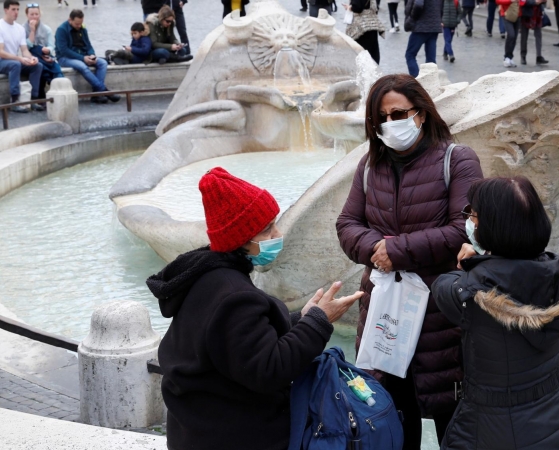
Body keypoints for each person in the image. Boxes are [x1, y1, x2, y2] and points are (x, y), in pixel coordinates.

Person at [150, 167, 363, 450]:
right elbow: (269, 369)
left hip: (198, 431)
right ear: (241, 238)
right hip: (234, 437)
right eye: (267, 229)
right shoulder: (233, 296)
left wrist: (302, 318)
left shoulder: (206, 279)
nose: (277, 234)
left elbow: (240, 343)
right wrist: (319, 322)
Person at [336, 74, 483, 450]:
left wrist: (397, 250)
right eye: (379, 118)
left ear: (420, 113)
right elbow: (347, 224)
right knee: (393, 424)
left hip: (441, 317)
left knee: (456, 424)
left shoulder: (457, 159)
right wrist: (375, 249)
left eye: (397, 113)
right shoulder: (371, 165)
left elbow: (463, 230)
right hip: (384, 313)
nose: (389, 124)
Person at [432, 176, 559, 450]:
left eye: (474, 216)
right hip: (554, 425)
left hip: (490, 430)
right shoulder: (557, 274)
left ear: (492, 227)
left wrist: (472, 263)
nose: (471, 221)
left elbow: (442, 288)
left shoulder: (474, 291)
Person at [55, 9, 120, 104]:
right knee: (82, 66)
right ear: (70, 20)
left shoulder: (82, 28)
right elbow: (63, 50)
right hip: (65, 58)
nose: (79, 26)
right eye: (76, 24)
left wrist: (92, 55)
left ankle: (96, 94)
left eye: (80, 23)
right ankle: (105, 91)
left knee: (102, 63)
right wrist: (83, 58)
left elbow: (88, 45)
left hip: (83, 55)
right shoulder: (61, 30)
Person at [0, 0, 44, 113]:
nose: (16, 12)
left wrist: (31, 58)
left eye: (17, 9)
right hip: (2, 61)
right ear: (6, 10)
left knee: (37, 66)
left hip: (13, 61)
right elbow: (1, 52)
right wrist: (20, 59)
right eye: (13, 9)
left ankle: (33, 99)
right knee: (15, 64)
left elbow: (24, 50)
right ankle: (14, 101)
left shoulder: (19, 28)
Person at [23, 3, 62, 100]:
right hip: (30, 56)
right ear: (27, 15)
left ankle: (60, 92)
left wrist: (48, 49)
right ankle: (42, 96)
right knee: (41, 68)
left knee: (56, 68)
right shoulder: (22, 29)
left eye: (36, 14)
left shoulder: (46, 29)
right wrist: (32, 31)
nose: (34, 16)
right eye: (32, 14)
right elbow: (25, 47)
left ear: (40, 15)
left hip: (45, 56)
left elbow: (51, 45)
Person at [404, 0, 442, 76]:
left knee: (410, 55)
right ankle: (431, 80)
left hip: (421, 26)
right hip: (434, 26)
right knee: (431, 60)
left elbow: (418, 4)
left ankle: (418, 81)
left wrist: (412, 19)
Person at [520, 0, 548, 65]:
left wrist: (542, 1)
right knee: (524, 37)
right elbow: (522, 1)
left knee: (538, 35)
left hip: (537, 14)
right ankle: (523, 56)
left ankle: (539, 56)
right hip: (526, 14)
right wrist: (534, 2)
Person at [496, 0, 521, 67]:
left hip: (517, 14)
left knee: (514, 37)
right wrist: (510, 1)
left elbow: (523, 2)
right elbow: (498, 1)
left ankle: (510, 57)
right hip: (506, 14)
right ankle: (506, 57)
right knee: (511, 35)